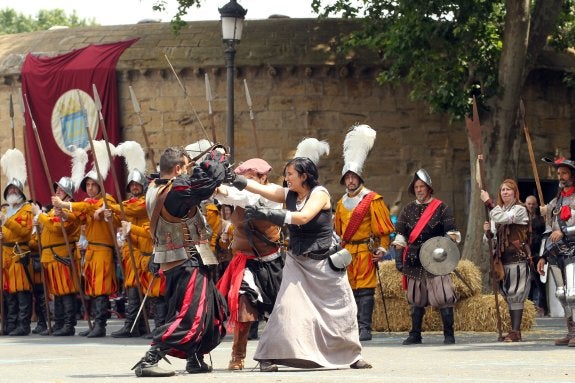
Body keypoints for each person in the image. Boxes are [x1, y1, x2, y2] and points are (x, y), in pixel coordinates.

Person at [233, 154, 372, 372]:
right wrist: (237, 181)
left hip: (324, 263)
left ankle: (352, 355)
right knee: (284, 308)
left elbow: (304, 217)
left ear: (304, 176)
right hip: (297, 262)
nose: (286, 178)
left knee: (340, 309)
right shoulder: (290, 194)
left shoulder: (320, 194)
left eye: (290, 174)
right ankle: (267, 356)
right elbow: (264, 189)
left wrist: (269, 213)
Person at [130, 147, 229, 377]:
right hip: (186, 260)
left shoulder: (157, 186)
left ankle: (195, 357)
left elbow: (198, 183)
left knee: (212, 312)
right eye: (185, 167)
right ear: (177, 169)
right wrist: (217, 158)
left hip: (182, 260)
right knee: (190, 317)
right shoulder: (176, 190)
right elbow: (207, 180)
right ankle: (150, 358)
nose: (188, 171)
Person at [214, 158, 284, 371]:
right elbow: (223, 194)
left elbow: (246, 197)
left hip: (273, 263)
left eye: (252, 178)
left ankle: (269, 356)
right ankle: (237, 356)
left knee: (278, 313)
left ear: (264, 178)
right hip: (246, 263)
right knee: (243, 308)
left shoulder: (274, 193)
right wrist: (212, 181)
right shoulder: (237, 195)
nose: (247, 182)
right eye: (244, 178)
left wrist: (227, 189)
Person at [334, 124, 394, 341]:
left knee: (366, 291)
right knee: (348, 291)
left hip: (366, 252)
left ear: (359, 178)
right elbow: (338, 232)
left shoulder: (373, 199)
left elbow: (384, 231)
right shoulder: (340, 203)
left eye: (354, 177)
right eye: (347, 177)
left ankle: (365, 328)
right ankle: (350, 327)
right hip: (347, 252)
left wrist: (382, 248)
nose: (351, 180)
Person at [52, 160, 120, 338]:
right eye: (87, 185)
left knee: (101, 289)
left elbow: (86, 207)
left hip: (103, 250)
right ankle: (95, 324)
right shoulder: (88, 203)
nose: (90, 188)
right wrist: (64, 214)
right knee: (92, 288)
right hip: (90, 251)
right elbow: (76, 217)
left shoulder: (107, 200)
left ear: (99, 187)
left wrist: (64, 204)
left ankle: (100, 326)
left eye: (93, 185)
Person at [392, 169, 460, 345]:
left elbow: (452, 233)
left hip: (436, 261)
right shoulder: (407, 210)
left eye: (422, 186)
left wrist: (443, 248)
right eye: (416, 187)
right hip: (414, 259)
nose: (419, 190)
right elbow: (400, 237)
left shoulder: (442, 208)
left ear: (429, 188)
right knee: (416, 299)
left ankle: (449, 335)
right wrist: (398, 257)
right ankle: (415, 334)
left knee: (443, 297)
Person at [481, 179, 531, 342]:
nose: (505, 192)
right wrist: (488, 233)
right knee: (509, 295)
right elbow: (491, 237)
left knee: (516, 294)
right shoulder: (498, 210)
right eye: (502, 190)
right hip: (504, 260)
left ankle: (515, 332)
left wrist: (489, 203)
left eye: (508, 189)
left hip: (518, 258)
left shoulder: (520, 209)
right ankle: (513, 331)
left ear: (515, 192)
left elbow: (504, 218)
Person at [34, 178, 82, 336]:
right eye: (56, 189)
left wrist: (40, 216)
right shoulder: (52, 211)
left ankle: (68, 325)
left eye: (61, 190)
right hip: (51, 256)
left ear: (68, 195)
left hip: (62, 256)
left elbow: (56, 228)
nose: (57, 192)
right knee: (57, 292)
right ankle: (59, 323)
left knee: (66, 291)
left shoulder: (68, 211)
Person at [538, 158, 575, 346]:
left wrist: (563, 231)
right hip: (556, 253)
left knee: (572, 294)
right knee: (561, 293)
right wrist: (543, 256)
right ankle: (571, 332)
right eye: (559, 173)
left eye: (565, 173)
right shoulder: (554, 202)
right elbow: (548, 230)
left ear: (572, 176)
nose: (561, 177)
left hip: (574, 250)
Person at [0, 155, 34, 336]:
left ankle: (23, 325)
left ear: (21, 192)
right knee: (9, 293)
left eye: (15, 189)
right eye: (10, 189)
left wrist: (7, 222)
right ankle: (10, 324)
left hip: (19, 252)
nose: (12, 191)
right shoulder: (4, 210)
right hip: (5, 254)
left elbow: (24, 232)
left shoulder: (27, 209)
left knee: (21, 291)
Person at [525, 195, 548, 316]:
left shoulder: (541, 219)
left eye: (533, 204)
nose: (531, 206)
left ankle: (543, 306)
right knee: (528, 280)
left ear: (536, 205)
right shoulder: (523, 218)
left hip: (539, 252)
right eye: (528, 204)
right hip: (526, 252)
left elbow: (545, 234)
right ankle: (528, 307)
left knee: (539, 281)